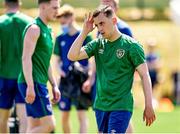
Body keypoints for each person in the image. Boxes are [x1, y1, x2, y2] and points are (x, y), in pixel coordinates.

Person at [68, 5, 156, 133]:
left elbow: (144, 75)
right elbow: (72, 56)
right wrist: (84, 32)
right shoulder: (98, 44)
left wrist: (149, 104)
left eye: (102, 23)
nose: (100, 28)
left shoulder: (132, 46)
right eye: (97, 25)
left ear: (114, 21)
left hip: (121, 106)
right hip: (100, 105)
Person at [17, 0, 61, 133]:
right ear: (43, 6)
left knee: (34, 126)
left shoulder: (49, 30)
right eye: (54, 8)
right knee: (50, 126)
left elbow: (46, 62)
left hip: (39, 82)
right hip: (32, 83)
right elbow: (26, 58)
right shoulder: (34, 29)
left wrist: (54, 85)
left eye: (58, 8)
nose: (57, 12)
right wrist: (30, 86)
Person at [54, 4, 93, 133]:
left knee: (81, 115)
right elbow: (57, 60)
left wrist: (89, 77)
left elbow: (93, 60)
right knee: (64, 116)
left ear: (71, 18)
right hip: (65, 81)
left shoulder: (85, 37)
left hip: (80, 80)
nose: (62, 25)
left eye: (64, 22)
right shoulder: (60, 38)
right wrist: (60, 72)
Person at [0, 0, 33, 133]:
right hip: (24, 76)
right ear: (19, 4)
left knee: (3, 118)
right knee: (24, 117)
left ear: (4, 4)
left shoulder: (1, 22)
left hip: (3, 75)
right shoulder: (29, 22)